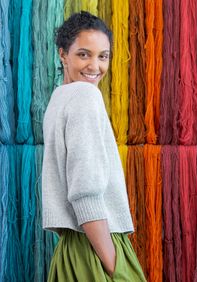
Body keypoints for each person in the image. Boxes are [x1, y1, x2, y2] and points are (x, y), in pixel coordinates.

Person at [42, 11, 146, 282]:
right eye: (84, 54)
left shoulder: (58, 100)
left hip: (69, 252)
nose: (95, 66)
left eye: (103, 56)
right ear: (63, 54)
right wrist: (114, 265)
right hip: (97, 247)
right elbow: (84, 193)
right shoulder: (86, 96)